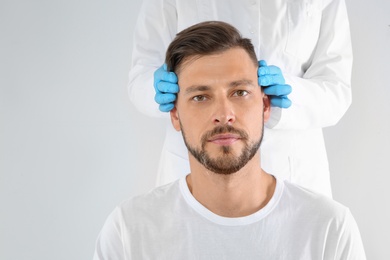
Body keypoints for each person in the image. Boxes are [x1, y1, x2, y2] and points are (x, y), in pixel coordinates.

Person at [94, 22, 364, 259]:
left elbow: (337, 86)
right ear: (175, 115)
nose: (224, 115)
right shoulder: (129, 231)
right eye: (200, 97)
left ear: (266, 105)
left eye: (240, 92)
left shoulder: (330, 228)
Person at [128, 0, 353, 197]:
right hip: (194, 165)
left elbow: (336, 88)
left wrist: (289, 93)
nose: (227, 113)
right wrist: (156, 90)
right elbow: (142, 75)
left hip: (290, 167)